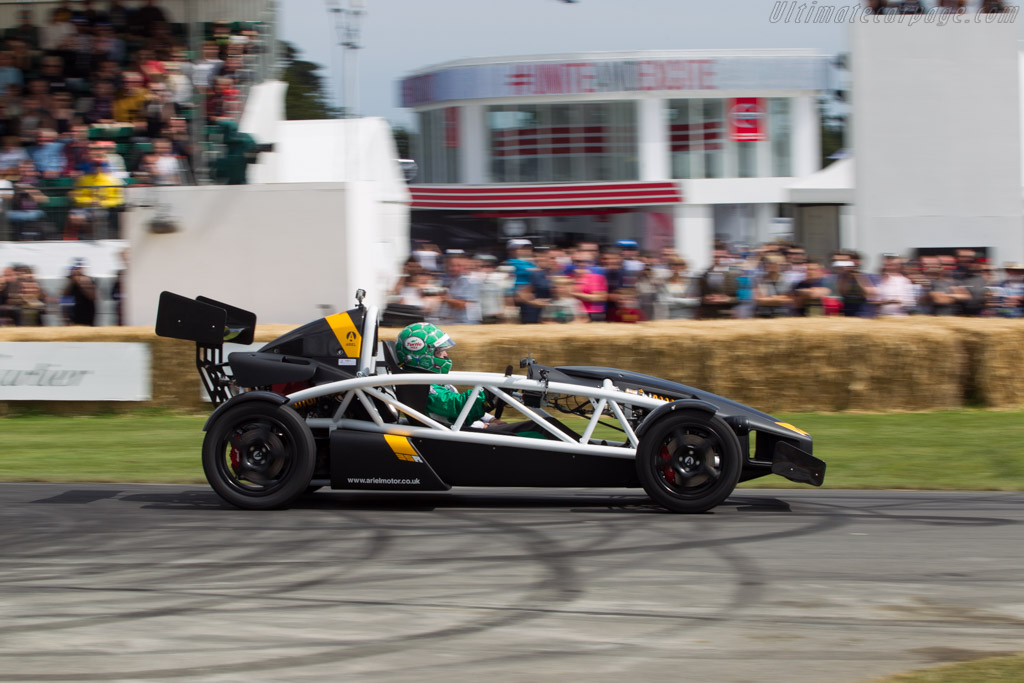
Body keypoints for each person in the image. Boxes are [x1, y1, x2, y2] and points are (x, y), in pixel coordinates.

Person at [394, 322, 496, 428]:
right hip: (457, 437)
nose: (445, 355)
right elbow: (460, 407)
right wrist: (489, 393)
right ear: (421, 356)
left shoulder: (429, 382)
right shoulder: (422, 389)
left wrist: (490, 418)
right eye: (440, 351)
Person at [63, 258, 96, 325]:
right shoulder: (71, 281)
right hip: (74, 314)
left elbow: (93, 296)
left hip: (87, 314)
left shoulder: (88, 280)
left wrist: (81, 282)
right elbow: (64, 296)